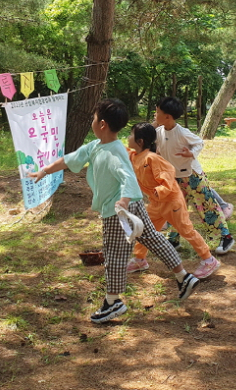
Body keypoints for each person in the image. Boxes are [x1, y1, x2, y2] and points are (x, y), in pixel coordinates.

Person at [29, 99, 200, 324]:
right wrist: (45, 170)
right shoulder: (95, 146)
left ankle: (113, 302)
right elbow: (70, 160)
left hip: (119, 211)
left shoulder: (116, 150)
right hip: (133, 206)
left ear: (102, 124)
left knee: (114, 254)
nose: (92, 122)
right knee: (154, 240)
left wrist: (123, 201)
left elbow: (127, 178)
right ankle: (183, 277)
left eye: (93, 118)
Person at [125, 122, 220, 279]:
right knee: (144, 230)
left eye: (131, 135)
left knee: (186, 231)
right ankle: (140, 259)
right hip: (156, 204)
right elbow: (121, 151)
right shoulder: (135, 156)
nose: (128, 138)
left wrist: (157, 192)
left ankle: (209, 260)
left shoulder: (153, 159)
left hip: (171, 202)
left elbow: (168, 178)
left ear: (140, 142)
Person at [155, 96, 235, 255]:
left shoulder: (182, 133)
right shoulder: (158, 132)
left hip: (193, 176)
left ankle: (225, 237)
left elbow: (200, 143)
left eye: (157, 112)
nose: (155, 115)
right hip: (174, 178)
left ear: (167, 117)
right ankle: (173, 240)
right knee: (175, 209)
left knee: (207, 207)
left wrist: (190, 153)